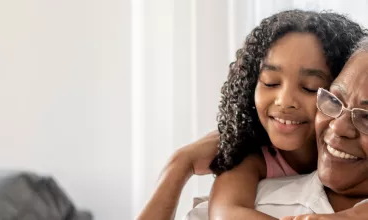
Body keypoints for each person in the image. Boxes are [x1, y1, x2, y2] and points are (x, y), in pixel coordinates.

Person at [136, 9, 367, 220]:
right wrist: (181, 162)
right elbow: (226, 214)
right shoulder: (252, 157)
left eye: (309, 87)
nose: (285, 102)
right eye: (270, 82)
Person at [186, 36, 368, 220]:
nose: (337, 127)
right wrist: (179, 165)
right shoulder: (256, 198)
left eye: (367, 118)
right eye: (334, 100)